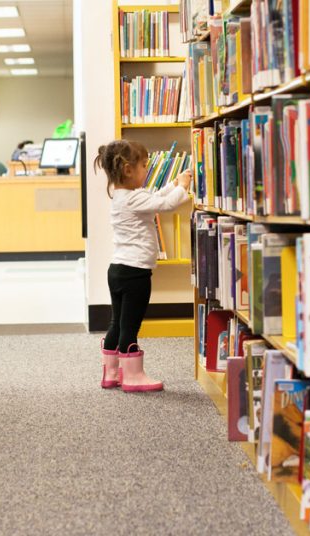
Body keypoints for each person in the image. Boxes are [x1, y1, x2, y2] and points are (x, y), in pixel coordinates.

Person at [93, 140, 192, 392]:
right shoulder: (134, 198)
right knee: (130, 326)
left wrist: (173, 184)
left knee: (117, 323)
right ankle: (133, 376)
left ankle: (111, 373)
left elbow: (155, 197)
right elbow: (166, 205)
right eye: (144, 165)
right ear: (128, 170)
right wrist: (183, 188)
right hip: (135, 273)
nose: (147, 170)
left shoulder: (123, 196)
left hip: (118, 270)